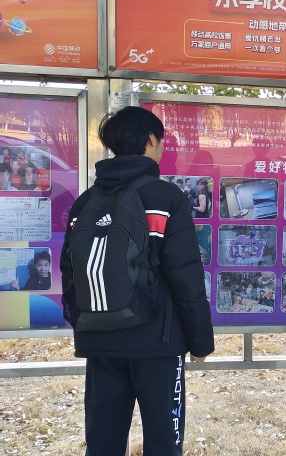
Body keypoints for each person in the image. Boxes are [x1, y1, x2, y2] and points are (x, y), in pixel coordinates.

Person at [60, 106, 215, 456]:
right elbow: (185, 274)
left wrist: (87, 327)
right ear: (149, 140)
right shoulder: (166, 198)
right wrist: (200, 341)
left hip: (100, 340)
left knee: (103, 442)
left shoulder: (86, 201)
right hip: (158, 343)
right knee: (163, 442)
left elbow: (70, 271)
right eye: (161, 141)